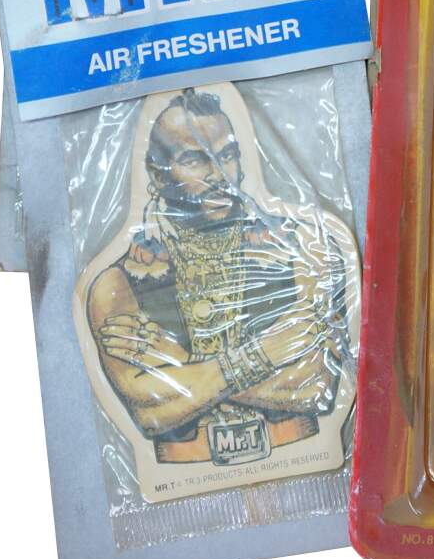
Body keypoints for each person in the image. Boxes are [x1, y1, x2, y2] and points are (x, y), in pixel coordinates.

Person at [85, 90, 341, 467]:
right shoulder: (116, 283)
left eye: (227, 155)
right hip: (184, 480)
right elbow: (150, 411)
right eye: (194, 159)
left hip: (301, 461)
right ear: (157, 174)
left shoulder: (304, 247)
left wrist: (186, 364)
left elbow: (317, 385)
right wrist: (265, 354)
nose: (220, 175)